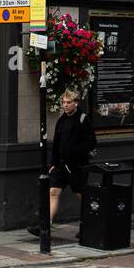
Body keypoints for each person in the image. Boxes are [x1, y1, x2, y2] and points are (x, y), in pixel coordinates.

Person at [28, 89, 96, 236]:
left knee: (81, 194)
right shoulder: (61, 120)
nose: (65, 105)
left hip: (77, 165)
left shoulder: (83, 119)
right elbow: (56, 143)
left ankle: (88, 225)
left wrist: (74, 152)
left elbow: (91, 142)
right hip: (60, 164)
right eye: (64, 102)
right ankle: (44, 226)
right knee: (53, 192)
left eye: (68, 102)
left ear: (76, 103)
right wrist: (53, 163)